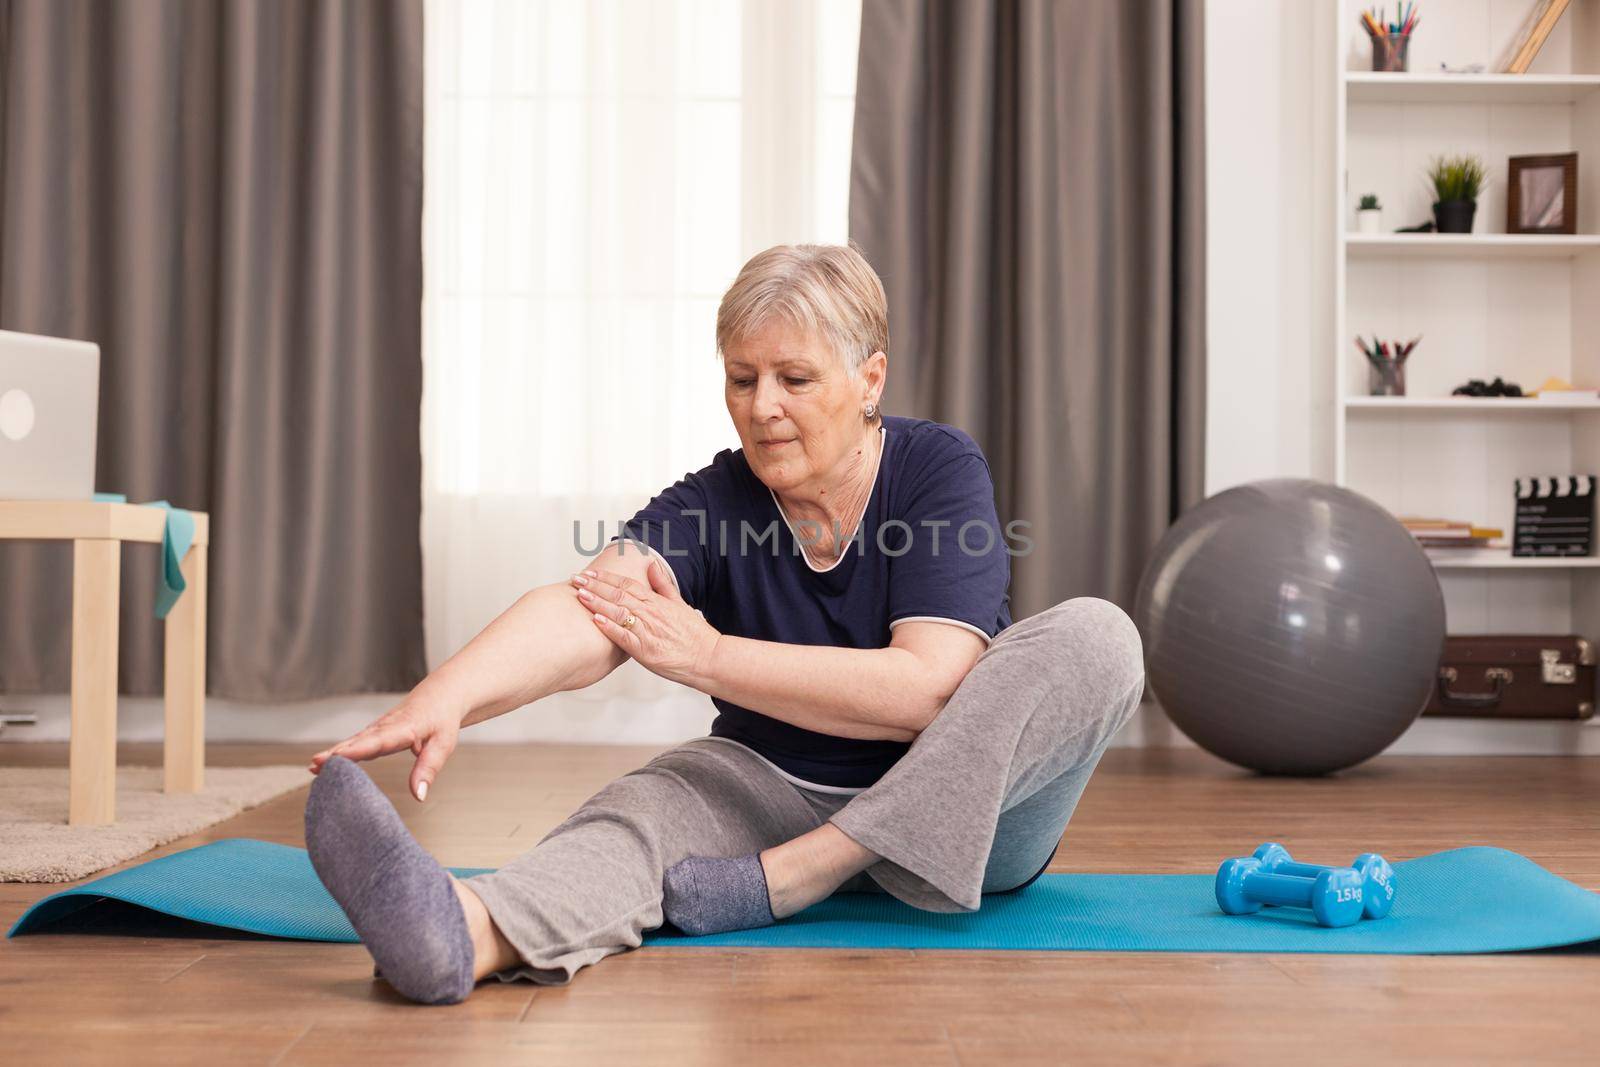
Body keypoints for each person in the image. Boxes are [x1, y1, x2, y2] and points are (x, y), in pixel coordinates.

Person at [303, 243, 1145, 1005]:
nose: (763, 406)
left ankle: (811, 872)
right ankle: (463, 929)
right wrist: (445, 696)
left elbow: (923, 691)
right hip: (768, 789)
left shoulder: (936, 469)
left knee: (1099, 636)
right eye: (742, 380)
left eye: (795, 378)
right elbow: (591, 605)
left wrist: (708, 656)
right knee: (642, 809)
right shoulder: (715, 498)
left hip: (969, 817)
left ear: (871, 379)